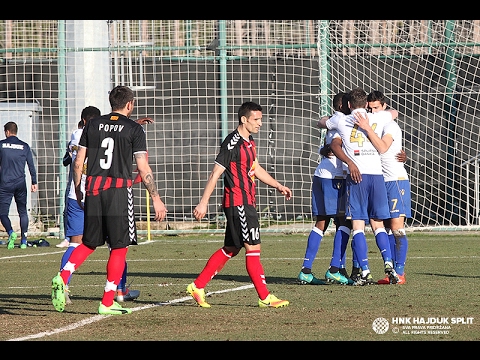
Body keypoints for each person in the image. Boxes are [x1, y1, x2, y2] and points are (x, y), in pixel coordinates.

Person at [51, 85, 167, 315]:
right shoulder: (134, 129)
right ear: (130, 104)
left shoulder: (92, 125)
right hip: (118, 193)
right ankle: (107, 301)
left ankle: (62, 277)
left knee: (88, 243)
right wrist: (156, 198)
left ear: (111, 103)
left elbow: (77, 163)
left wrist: (78, 188)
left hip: (92, 189)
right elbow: (143, 168)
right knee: (119, 246)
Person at [188, 101, 292, 308]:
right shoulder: (232, 143)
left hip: (245, 201)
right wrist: (203, 202)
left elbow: (255, 167)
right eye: (256, 119)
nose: (260, 123)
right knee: (253, 248)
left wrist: (277, 185)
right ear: (244, 120)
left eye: (261, 119)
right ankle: (265, 297)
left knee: (231, 248)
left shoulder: (249, 141)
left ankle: (198, 286)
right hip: (239, 202)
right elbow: (215, 173)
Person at [318, 87, 397, 286]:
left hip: (357, 176)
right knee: (378, 225)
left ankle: (365, 271)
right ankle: (389, 265)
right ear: (366, 104)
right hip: (377, 176)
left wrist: (328, 121)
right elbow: (394, 113)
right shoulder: (377, 118)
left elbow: (321, 122)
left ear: (350, 105)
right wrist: (375, 115)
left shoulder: (341, 119)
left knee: (358, 226)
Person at [354, 90, 411, 284]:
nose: (373, 112)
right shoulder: (371, 123)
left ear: (384, 107)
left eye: (376, 108)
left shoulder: (390, 126)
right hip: (379, 180)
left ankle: (400, 273)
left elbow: (383, 147)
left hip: (395, 180)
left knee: (396, 227)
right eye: (370, 108)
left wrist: (368, 129)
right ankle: (392, 273)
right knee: (383, 227)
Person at [297, 92, 353, 285]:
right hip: (334, 178)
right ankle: (334, 269)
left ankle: (307, 270)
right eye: (349, 103)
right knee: (344, 223)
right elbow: (334, 145)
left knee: (323, 223)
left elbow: (326, 140)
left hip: (322, 174)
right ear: (343, 105)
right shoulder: (342, 121)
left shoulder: (335, 121)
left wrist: (324, 148)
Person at [0, 122, 38, 249]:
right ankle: (23, 240)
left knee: (3, 213)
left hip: (5, 183)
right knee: (22, 211)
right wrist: (34, 182)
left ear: (7, 132)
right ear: (16, 131)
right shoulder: (24, 146)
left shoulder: (1, 145)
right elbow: (31, 165)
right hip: (20, 183)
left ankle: (10, 232)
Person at [57, 119, 85, 248]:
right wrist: (71, 152)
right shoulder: (73, 142)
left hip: (84, 181)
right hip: (73, 179)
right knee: (67, 210)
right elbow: (65, 160)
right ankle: (68, 237)